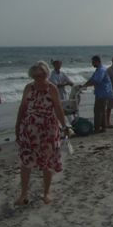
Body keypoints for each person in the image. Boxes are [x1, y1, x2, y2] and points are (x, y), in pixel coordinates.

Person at [15, 61, 69, 205]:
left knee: (47, 161)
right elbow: (22, 107)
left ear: (46, 74)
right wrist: (17, 126)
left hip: (48, 129)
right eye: (35, 75)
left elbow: (58, 108)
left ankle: (46, 193)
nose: (38, 78)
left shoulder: (52, 88)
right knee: (26, 161)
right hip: (29, 129)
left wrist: (65, 126)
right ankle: (23, 194)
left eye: (41, 75)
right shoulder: (29, 87)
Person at [82, 55, 113, 133]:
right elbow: (92, 79)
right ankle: (103, 127)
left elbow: (97, 81)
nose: (92, 64)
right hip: (102, 93)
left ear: (97, 61)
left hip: (103, 93)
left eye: (93, 62)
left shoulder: (101, 70)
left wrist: (86, 86)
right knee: (102, 110)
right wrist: (84, 85)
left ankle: (97, 128)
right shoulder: (98, 70)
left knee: (98, 111)